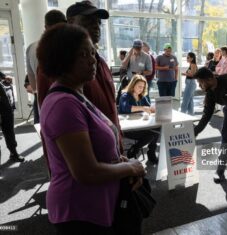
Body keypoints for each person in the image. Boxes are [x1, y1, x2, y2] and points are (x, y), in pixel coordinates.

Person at [37, 23, 145, 235]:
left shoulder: (77, 95)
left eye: (93, 52)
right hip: (79, 212)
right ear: (62, 60)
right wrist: (132, 167)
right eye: (83, 54)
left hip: (96, 207)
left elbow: (95, 150)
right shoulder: (64, 105)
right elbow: (86, 172)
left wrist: (120, 162)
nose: (93, 59)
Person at [37, 1, 123, 152]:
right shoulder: (59, 66)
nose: (96, 26)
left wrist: (119, 146)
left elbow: (110, 111)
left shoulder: (99, 62)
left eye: (98, 23)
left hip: (112, 156)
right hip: (84, 164)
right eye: (88, 21)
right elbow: (51, 123)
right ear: (70, 23)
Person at [26, 9, 67, 124]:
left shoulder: (31, 48)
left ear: (45, 27)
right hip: (64, 103)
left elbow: (33, 83)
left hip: (42, 99)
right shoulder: (68, 47)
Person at [119, 75, 159, 164]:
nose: (141, 89)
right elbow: (126, 108)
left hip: (141, 126)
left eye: (143, 87)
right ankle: (139, 150)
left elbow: (148, 108)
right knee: (152, 134)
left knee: (157, 130)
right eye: (139, 86)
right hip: (129, 129)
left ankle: (139, 149)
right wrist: (143, 108)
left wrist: (154, 108)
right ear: (133, 85)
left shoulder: (142, 97)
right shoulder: (125, 96)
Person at [0, 72, 23, 162]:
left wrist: (4, 77)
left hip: (5, 107)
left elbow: (4, 76)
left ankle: (13, 153)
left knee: (9, 131)